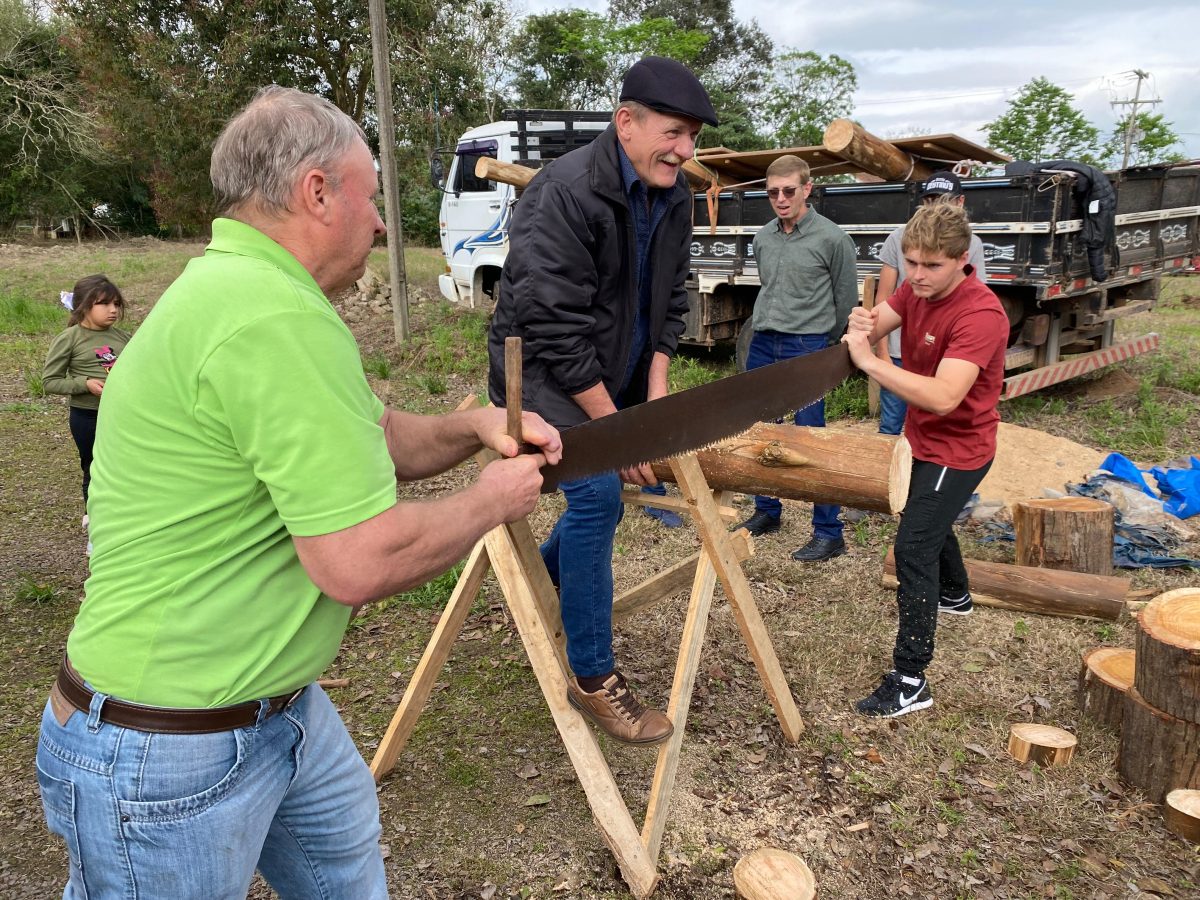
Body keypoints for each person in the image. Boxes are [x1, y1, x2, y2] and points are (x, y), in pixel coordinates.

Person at [36, 86, 561, 900]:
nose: (383, 224)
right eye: (373, 196)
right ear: (318, 191)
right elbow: (355, 561)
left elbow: (372, 435)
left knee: (348, 872)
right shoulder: (271, 317)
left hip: (272, 707)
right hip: (167, 745)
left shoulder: (242, 291)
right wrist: (491, 500)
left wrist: (473, 428)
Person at [488, 56, 717, 745]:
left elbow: (668, 302)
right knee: (598, 498)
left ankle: (545, 586)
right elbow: (554, 328)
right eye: (673, 133)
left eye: (693, 138)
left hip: (612, 374)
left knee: (601, 497)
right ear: (626, 122)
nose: (685, 151)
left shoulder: (671, 195)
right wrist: (615, 429)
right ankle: (592, 678)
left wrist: (653, 403)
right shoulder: (561, 194)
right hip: (541, 379)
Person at [842, 202, 1007, 718]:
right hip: (923, 441)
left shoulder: (981, 314)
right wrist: (861, 323)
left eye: (931, 265)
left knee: (913, 547)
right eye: (910, 262)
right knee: (928, 518)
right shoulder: (916, 291)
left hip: (959, 450)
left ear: (962, 259)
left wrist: (869, 361)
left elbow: (942, 397)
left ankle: (911, 680)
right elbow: (876, 324)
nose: (916, 275)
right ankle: (955, 595)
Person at [735, 155, 859, 562]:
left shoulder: (833, 239)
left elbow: (844, 300)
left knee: (810, 438)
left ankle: (828, 531)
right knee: (760, 430)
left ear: (808, 189)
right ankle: (767, 511)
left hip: (806, 345)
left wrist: (827, 343)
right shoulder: (764, 237)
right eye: (773, 192)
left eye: (789, 190)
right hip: (764, 340)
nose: (781, 199)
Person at [874, 171, 988, 436]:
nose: (918, 275)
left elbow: (973, 299)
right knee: (891, 426)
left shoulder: (972, 245)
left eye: (933, 265)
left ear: (960, 203)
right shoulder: (898, 237)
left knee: (932, 426)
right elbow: (884, 299)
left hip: (942, 356)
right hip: (902, 352)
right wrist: (881, 354)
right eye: (931, 200)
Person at [41, 275, 131, 535]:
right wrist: (85, 384)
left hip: (122, 415)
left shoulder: (123, 337)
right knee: (94, 467)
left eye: (116, 304)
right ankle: (96, 527)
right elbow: (50, 381)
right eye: (104, 304)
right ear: (84, 306)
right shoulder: (70, 338)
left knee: (125, 468)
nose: (113, 310)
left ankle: (124, 524)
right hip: (88, 416)